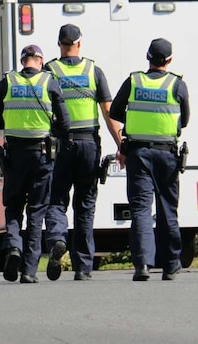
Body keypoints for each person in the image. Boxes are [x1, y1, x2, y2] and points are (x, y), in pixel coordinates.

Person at [43, 24, 123, 281]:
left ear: (59, 44)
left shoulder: (49, 71)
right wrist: (122, 145)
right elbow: (109, 113)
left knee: (56, 199)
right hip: (89, 143)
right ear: (79, 43)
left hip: (60, 144)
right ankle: (83, 267)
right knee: (85, 204)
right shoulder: (93, 71)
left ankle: (57, 238)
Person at [109, 38, 190, 281]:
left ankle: (142, 264)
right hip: (166, 154)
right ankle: (170, 266)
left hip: (138, 153)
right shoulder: (177, 84)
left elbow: (114, 111)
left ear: (147, 57)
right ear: (169, 60)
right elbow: (184, 120)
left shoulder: (134, 81)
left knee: (141, 210)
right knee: (168, 209)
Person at [0, 45, 70, 283]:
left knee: (13, 206)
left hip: (14, 154)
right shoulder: (49, 82)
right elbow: (64, 123)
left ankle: (14, 247)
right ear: (41, 61)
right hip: (42, 154)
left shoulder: (8, 81)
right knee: (36, 210)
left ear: (23, 60)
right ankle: (29, 270)